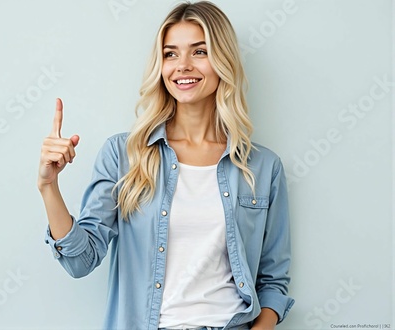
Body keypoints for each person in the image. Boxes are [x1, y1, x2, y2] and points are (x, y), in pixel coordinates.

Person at [38, 1, 294, 329]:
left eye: (199, 52)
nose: (182, 66)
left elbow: (273, 281)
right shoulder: (124, 154)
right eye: (171, 54)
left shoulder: (262, 167)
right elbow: (80, 261)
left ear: (223, 61)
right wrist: (48, 187)